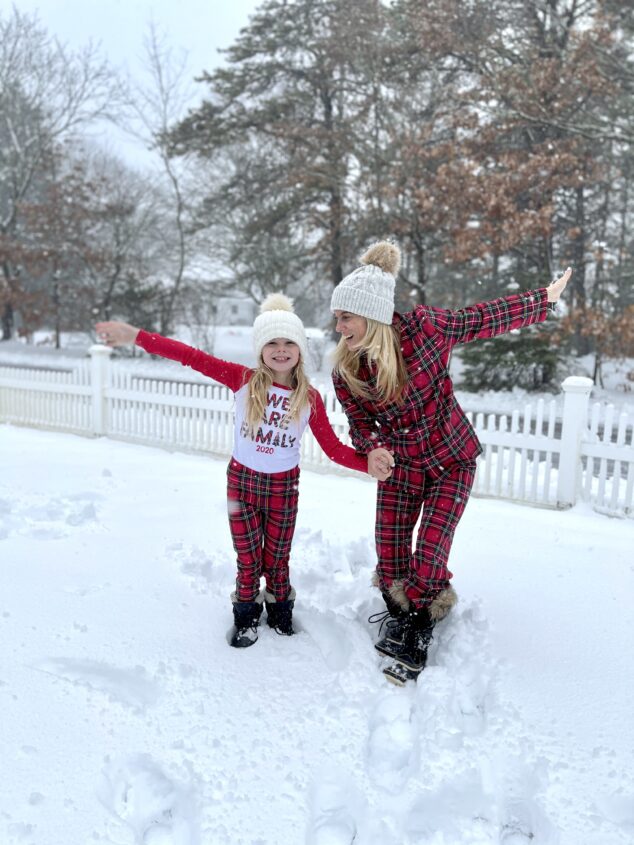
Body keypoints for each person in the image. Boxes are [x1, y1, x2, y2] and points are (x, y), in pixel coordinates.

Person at [330, 241, 571, 685]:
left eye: (346, 316)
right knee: (389, 554)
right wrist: (372, 447)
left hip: (451, 459)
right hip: (401, 468)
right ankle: (401, 613)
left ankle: (418, 628)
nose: (339, 326)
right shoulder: (347, 370)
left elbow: (480, 318)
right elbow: (359, 423)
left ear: (372, 314)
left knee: (431, 551)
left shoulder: (426, 328)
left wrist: (542, 300)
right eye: (337, 318)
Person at [95, 294, 392, 649]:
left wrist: (367, 463)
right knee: (249, 559)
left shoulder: (309, 398)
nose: (280, 350)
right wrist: (135, 336)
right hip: (242, 485)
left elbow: (333, 448)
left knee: (278, 560)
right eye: (272, 343)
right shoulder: (243, 380)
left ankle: (281, 613)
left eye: (288, 343)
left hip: (283, 488)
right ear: (260, 349)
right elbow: (191, 357)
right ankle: (246, 617)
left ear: (299, 349)